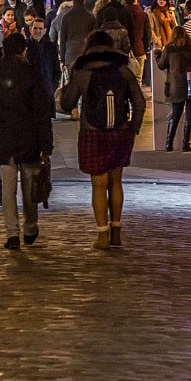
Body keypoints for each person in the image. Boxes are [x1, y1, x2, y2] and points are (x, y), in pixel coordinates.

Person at [60, 29, 145, 249]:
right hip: (120, 130)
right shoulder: (123, 69)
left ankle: (101, 235)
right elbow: (139, 102)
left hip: (92, 131)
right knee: (116, 181)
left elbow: (67, 104)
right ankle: (116, 230)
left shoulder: (83, 70)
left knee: (99, 185)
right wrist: (133, 128)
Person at [0, 34, 53, 249]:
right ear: (24, 51)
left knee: (7, 188)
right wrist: (45, 144)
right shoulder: (32, 73)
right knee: (30, 186)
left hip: (3, 137)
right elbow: (42, 113)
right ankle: (30, 226)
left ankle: (12, 233)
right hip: (28, 138)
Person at [157, 22, 191, 151]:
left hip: (175, 84)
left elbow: (161, 65)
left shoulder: (169, 48)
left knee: (175, 115)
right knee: (190, 115)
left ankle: (169, 144)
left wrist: (158, 56)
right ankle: (186, 144)